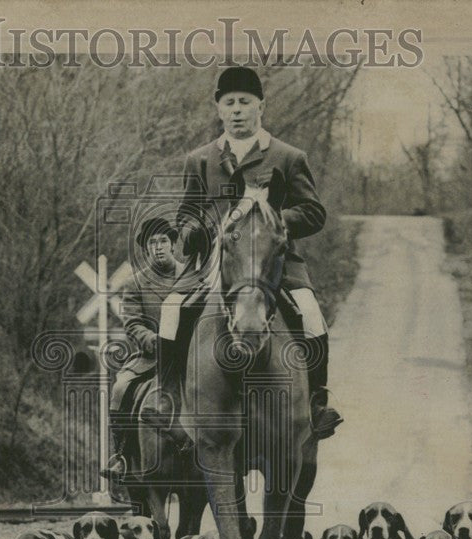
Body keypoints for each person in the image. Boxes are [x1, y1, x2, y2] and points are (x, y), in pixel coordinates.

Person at [143, 65, 343, 442]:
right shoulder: (199, 159)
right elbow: (187, 213)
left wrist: (272, 221)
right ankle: (166, 396)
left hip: (275, 266)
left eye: (245, 102)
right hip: (215, 268)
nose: (237, 110)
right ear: (218, 109)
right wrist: (194, 231)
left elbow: (314, 212)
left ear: (260, 106)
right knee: (171, 309)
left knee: (312, 315)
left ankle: (316, 402)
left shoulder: (288, 157)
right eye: (229, 102)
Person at [100, 217, 181, 484]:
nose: (158, 247)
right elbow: (132, 323)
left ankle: (239, 453)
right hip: (151, 358)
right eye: (153, 243)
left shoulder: (193, 277)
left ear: (173, 244)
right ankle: (122, 456)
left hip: (192, 356)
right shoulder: (136, 283)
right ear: (147, 249)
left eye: (163, 241)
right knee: (120, 387)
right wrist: (156, 342)